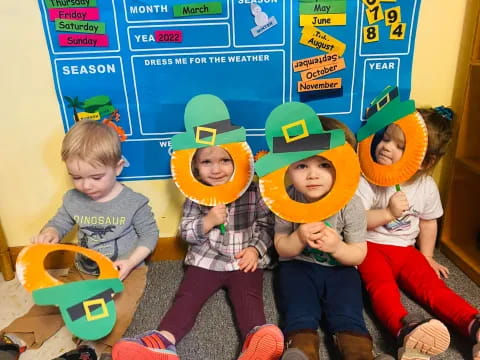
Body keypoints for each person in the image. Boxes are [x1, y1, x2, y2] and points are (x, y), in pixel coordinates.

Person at [112, 94, 283, 360]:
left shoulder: (251, 189)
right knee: (186, 298)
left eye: (224, 160)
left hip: (242, 260)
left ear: (237, 160)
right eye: (207, 162)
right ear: (195, 166)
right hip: (206, 259)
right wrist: (209, 220)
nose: (216, 169)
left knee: (249, 298)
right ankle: (162, 342)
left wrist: (255, 250)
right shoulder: (196, 194)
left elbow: (266, 223)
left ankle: (256, 341)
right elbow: (186, 232)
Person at [0, 120, 159, 359]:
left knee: (116, 309)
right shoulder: (73, 199)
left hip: (124, 273)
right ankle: (16, 338)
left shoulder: (134, 203)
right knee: (56, 299)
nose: (86, 185)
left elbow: (150, 234)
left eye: (96, 177)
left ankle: (90, 348)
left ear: (118, 167)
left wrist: (131, 261)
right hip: (83, 269)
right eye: (76, 177)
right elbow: (60, 222)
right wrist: (50, 233)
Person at [254, 102, 392, 360]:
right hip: (298, 267)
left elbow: (358, 254)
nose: (313, 175)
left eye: (324, 165)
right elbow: (282, 248)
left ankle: (360, 352)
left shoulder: (350, 204)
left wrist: (338, 248)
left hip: (340, 270)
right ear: (287, 169)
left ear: (342, 165)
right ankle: (301, 350)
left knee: (349, 310)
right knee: (298, 309)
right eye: (302, 166)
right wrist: (298, 238)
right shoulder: (287, 200)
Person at [356, 106, 480, 360]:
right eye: (386, 138)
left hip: (406, 250)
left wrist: (427, 255)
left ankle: (473, 324)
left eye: (399, 146)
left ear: (425, 161)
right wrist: (388, 213)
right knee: (382, 289)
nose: (386, 147)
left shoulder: (425, 186)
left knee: (433, 288)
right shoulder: (368, 178)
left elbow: (428, 222)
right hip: (371, 247)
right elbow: (356, 221)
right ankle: (405, 330)